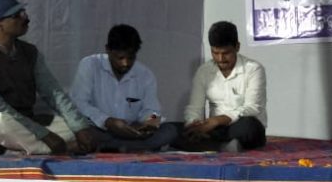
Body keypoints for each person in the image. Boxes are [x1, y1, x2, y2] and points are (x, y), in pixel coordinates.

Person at [0, 0, 99, 155]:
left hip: (24, 126)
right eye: (17, 15)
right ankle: (54, 149)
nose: (26, 18)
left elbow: (53, 92)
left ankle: (13, 149)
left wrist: (80, 127)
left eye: (23, 13)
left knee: (77, 127)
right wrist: (43, 134)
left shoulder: (30, 53)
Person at [70, 24, 177, 152]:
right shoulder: (90, 65)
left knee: (170, 130)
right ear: (108, 50)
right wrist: (107, 121)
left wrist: (150, 123)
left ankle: (114, 147)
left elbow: (154, 111)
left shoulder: (145, 75)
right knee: (82, 131)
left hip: (131, 131)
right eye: (120, 58)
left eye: (130, 57)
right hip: (100, 129)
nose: (125, 63)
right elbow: (79, 103)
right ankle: (128, 148)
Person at [178, 21, 267, 151]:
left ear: (237, 47)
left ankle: (214, 145)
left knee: (248, 126)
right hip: (216, 129)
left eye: (226, 53)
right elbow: (195, 107)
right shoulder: (204, 71)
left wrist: (218, 120)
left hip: (241, 126)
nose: (220, 59)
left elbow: (253, 107)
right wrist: (194, 124)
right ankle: (224, 145)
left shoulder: (254, 69)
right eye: (215, 53)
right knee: (173, 130)